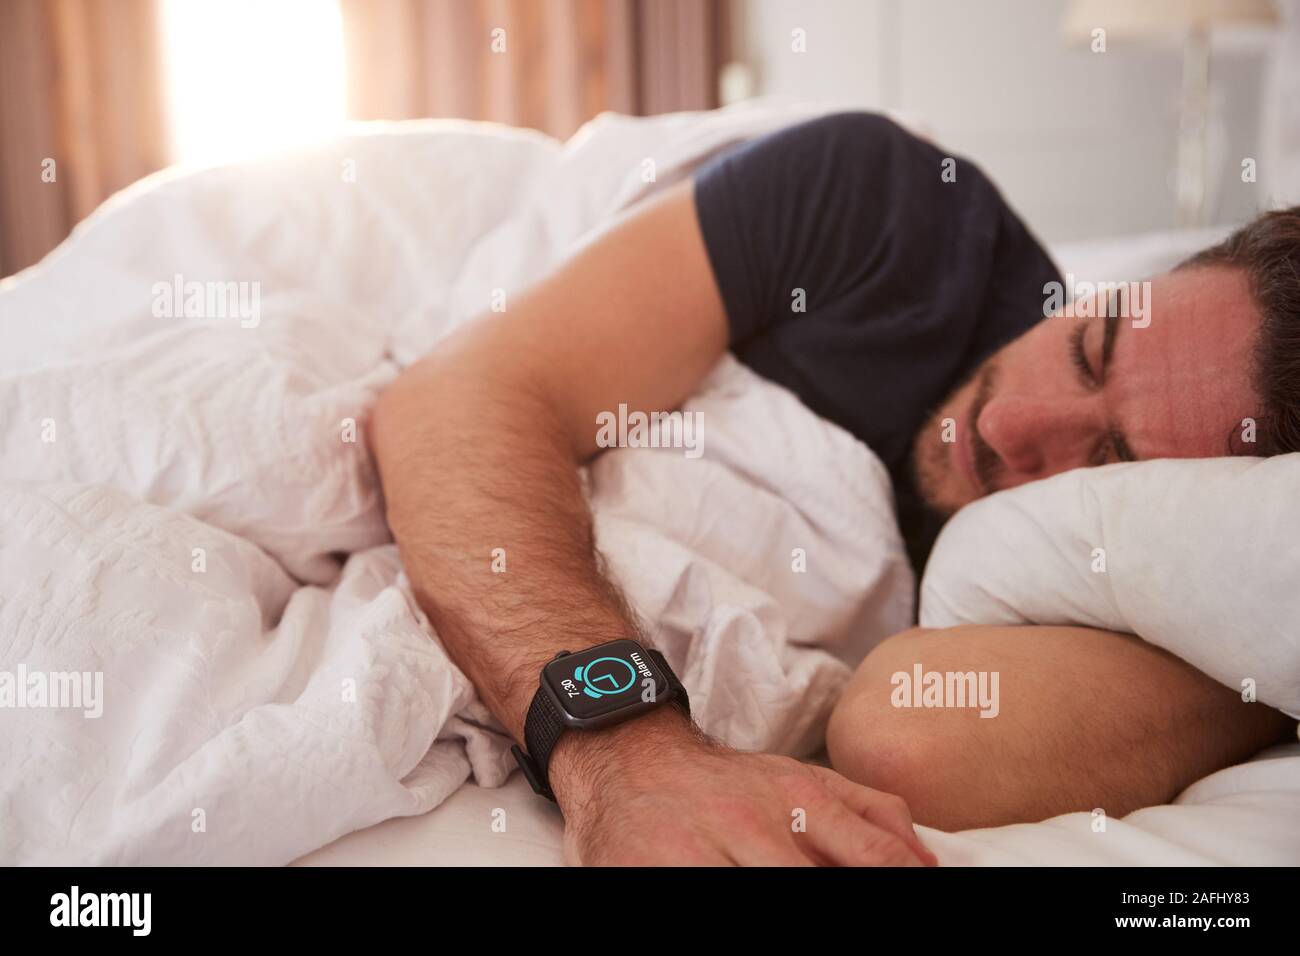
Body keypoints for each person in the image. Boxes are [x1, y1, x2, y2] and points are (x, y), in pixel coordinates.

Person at [368, 113, 1297, 865]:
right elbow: (457, 398)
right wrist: (624, 745)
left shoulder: (1127, 569)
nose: (1011, 428)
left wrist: (1251, 661)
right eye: (1089, 350)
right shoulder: (891, 209)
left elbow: (912, 738)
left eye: (1109, 463)